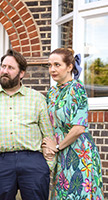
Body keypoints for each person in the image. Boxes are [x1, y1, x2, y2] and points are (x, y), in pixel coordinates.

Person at [0, 49, 54, 200]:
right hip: (0, 163)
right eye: (3, 67)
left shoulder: (37, 99)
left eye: (10, 68)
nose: (5, 71)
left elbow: (48, 134)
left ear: (21, 73)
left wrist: (47, 165)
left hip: (33, 162)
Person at [42, 48, 104, 199]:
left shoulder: (77, 88)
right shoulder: (52, 93)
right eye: (50, 65)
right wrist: (46, 145)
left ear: (70, 67)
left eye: (57, 65)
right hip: (61, 156)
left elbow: (79, 128)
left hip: (79, 153)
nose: (52, 69)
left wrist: (56, 147)